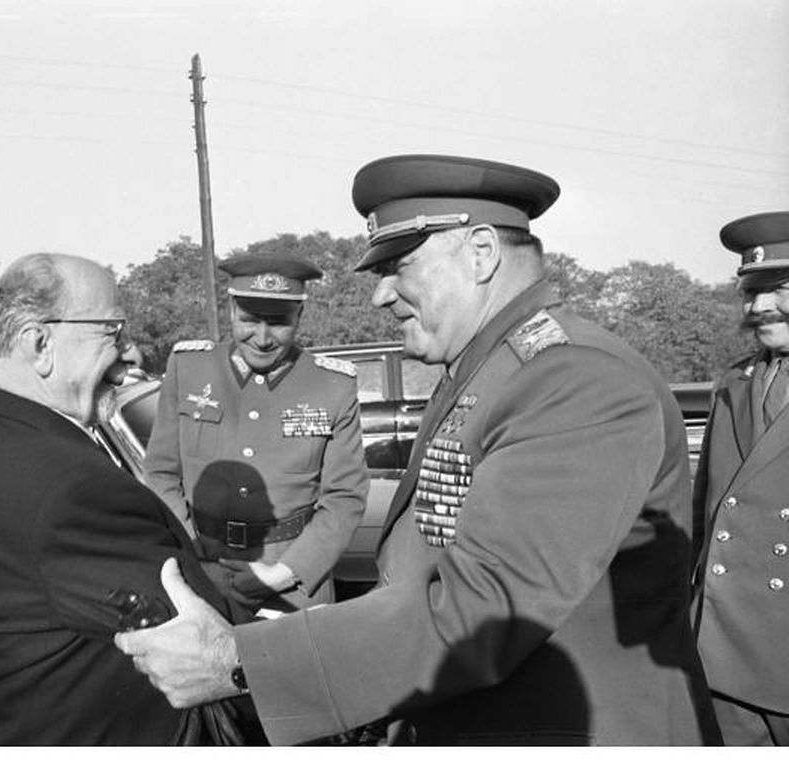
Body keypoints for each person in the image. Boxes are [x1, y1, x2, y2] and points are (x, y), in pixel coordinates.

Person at [116, 154, 720, 746]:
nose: (381, 296)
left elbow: (487, 608)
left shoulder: (573, 378)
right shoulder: (490, 365)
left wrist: (237, 659)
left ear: (481, 253)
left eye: (397, 266)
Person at [0, 252, 250, 745]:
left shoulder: (17, 440)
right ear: (40, 343)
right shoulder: (69, 484)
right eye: (111, 331)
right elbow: (194, 633)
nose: (130, 353)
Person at [143, 252, 369, 612]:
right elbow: (160, 473)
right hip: (202, 571)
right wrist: (197, 556)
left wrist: (283, 573)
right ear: (230, 310)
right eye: (249, 319)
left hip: (292, 584)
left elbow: (344, 498)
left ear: (300, 316)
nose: (262, 338)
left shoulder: (332, 385)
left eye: (278, 322)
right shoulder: (189, 368)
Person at [692, 211, 789, 746]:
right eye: (751, 291)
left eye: (779, 289)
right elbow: (705, 507)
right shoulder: (735, 381)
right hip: (723, 649)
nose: (759, 307)